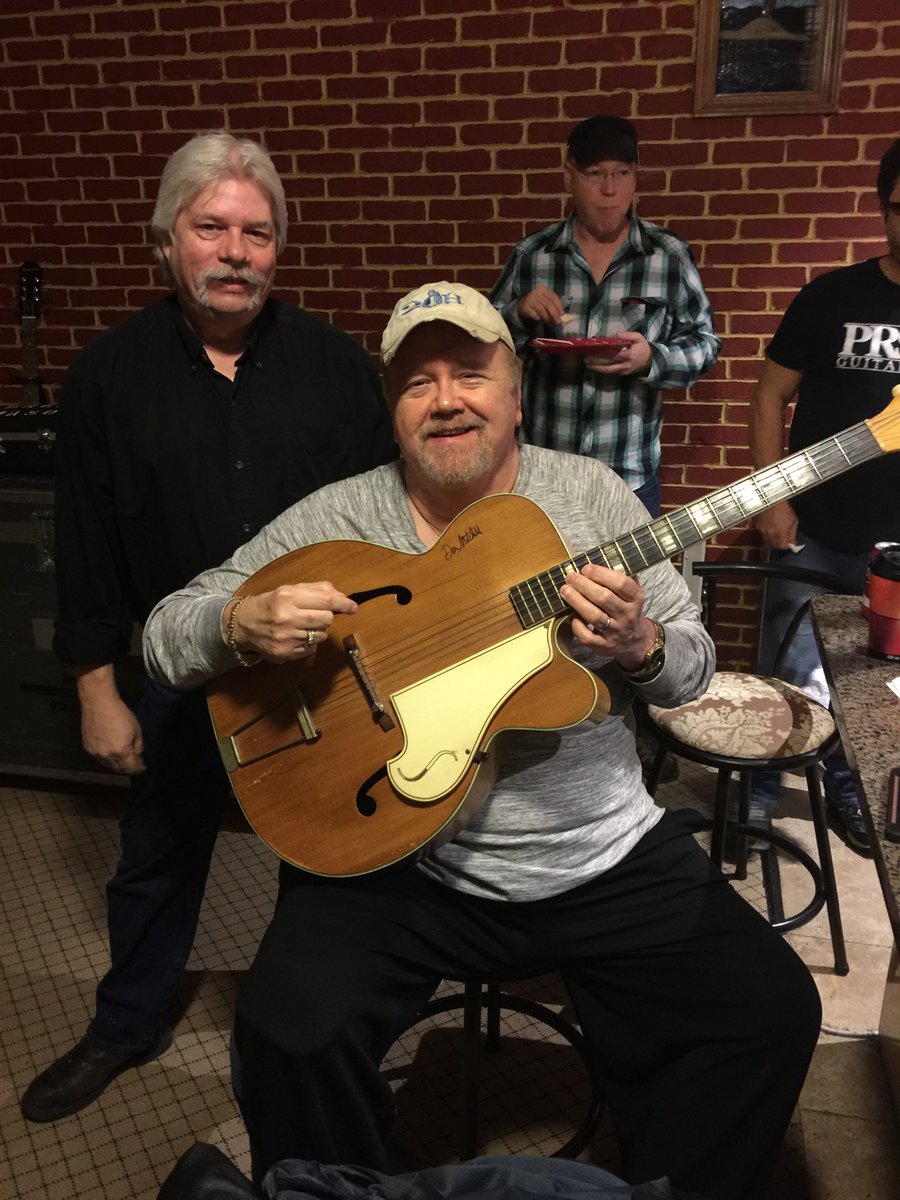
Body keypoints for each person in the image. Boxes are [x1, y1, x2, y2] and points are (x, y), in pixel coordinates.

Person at [142, 280, 821, 1200]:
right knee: (286, 1030)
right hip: (409, 866)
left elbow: (691, 670)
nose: (446, 400)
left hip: (599, 852)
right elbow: (165, 633)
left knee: (770, 1013)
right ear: (392, 409)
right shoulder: (339, 514)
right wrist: (236, 624)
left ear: (515, 395)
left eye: (470, 373)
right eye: (417, 382)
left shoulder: (591, 496)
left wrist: (642, 643)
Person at [20, 131, 396, 1124]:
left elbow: (381, 527)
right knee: (155, 857)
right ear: (166, 242)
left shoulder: (336, 366)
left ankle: (291, 1038)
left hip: (314, 670)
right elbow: (86, 540)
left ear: (279, 249)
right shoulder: (107, 375)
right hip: (175, 673)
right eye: (211, 228)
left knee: (318, 866)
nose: (235, 252)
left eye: (257, 233)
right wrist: (95, 690)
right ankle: (126, 1024)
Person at [748, 137, 900, 854]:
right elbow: (768, 397)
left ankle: (850, 788)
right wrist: (771, 498)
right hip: (814, 525)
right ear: (882, 207)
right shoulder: (830, 296)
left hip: (895, 550)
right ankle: (755, 793)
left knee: (874, 690)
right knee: (784, 670)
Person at [490, 114, 720, 519]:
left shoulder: (668, 254)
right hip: (543, 474)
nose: (610, 190)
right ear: (570, 176)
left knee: (630, 566)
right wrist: (518, 312)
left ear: (635, 176)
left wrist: (651, 358)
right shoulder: (533, 254)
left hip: (628, 477)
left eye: (622, 173)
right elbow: (484, 343)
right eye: (595, 173)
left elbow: (705, 345)